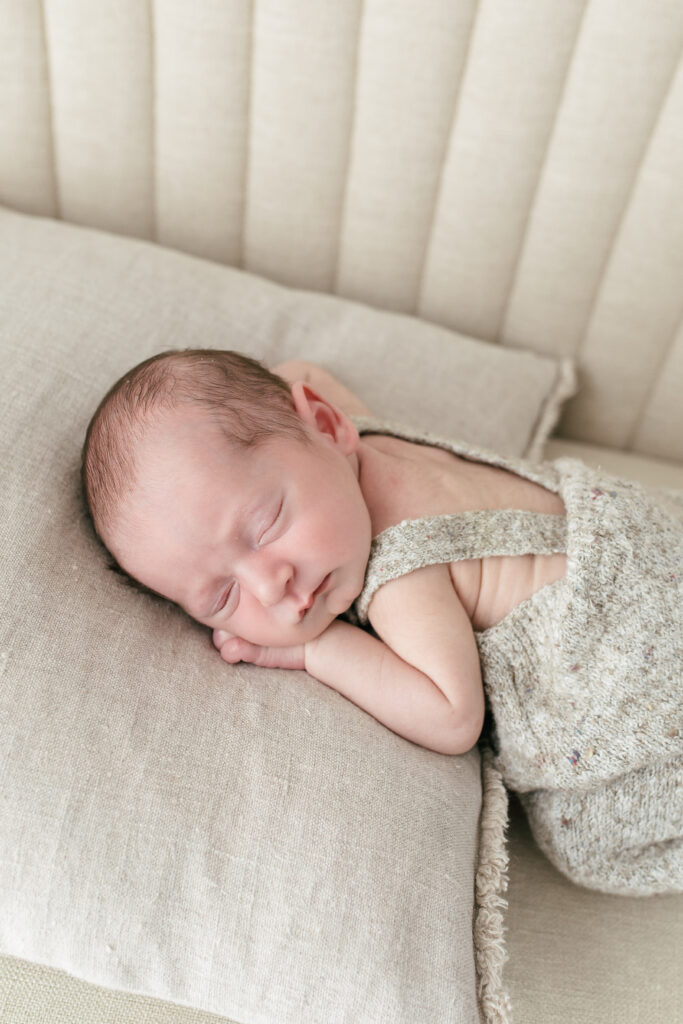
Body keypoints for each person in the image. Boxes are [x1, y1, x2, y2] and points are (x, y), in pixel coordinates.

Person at [81, 348, 682, 896]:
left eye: (264, 524)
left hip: (639, 668)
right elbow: (303, 375)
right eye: (222, 596)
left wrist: (320, 652)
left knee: (589, 835)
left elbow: (452, 715)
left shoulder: (400, 576)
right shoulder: (349, 438)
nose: (271, 586)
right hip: (648, 538)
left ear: (324, 425)